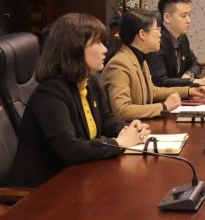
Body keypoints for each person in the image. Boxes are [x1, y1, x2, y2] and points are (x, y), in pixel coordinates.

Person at [7, 13, 149, 187]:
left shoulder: (89, 81)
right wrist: (118, 143)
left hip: (78, 178)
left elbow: (106, 120)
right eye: (97, 42)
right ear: (75, 48)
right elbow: (70, 149)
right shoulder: (50, 93)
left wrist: (129, 129)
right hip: (43, 189)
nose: (105, 49)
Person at [102, 9, 205, 121]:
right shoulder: (119, 64)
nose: (160, 34)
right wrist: (164, 107)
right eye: (157, 29)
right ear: (142, 34)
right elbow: (122, 111)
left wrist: (188, 91)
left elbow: (152, 92)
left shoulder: (139, 58)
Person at [146, 0, 205, 87]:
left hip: (180, 93)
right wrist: (195, 82)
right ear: (167, 17)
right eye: (183, 16)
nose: (189, 20)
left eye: (189, 15)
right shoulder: (156, 42)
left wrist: (188, 75)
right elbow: (160, 82)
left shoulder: (182, 37)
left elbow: (195, 64)